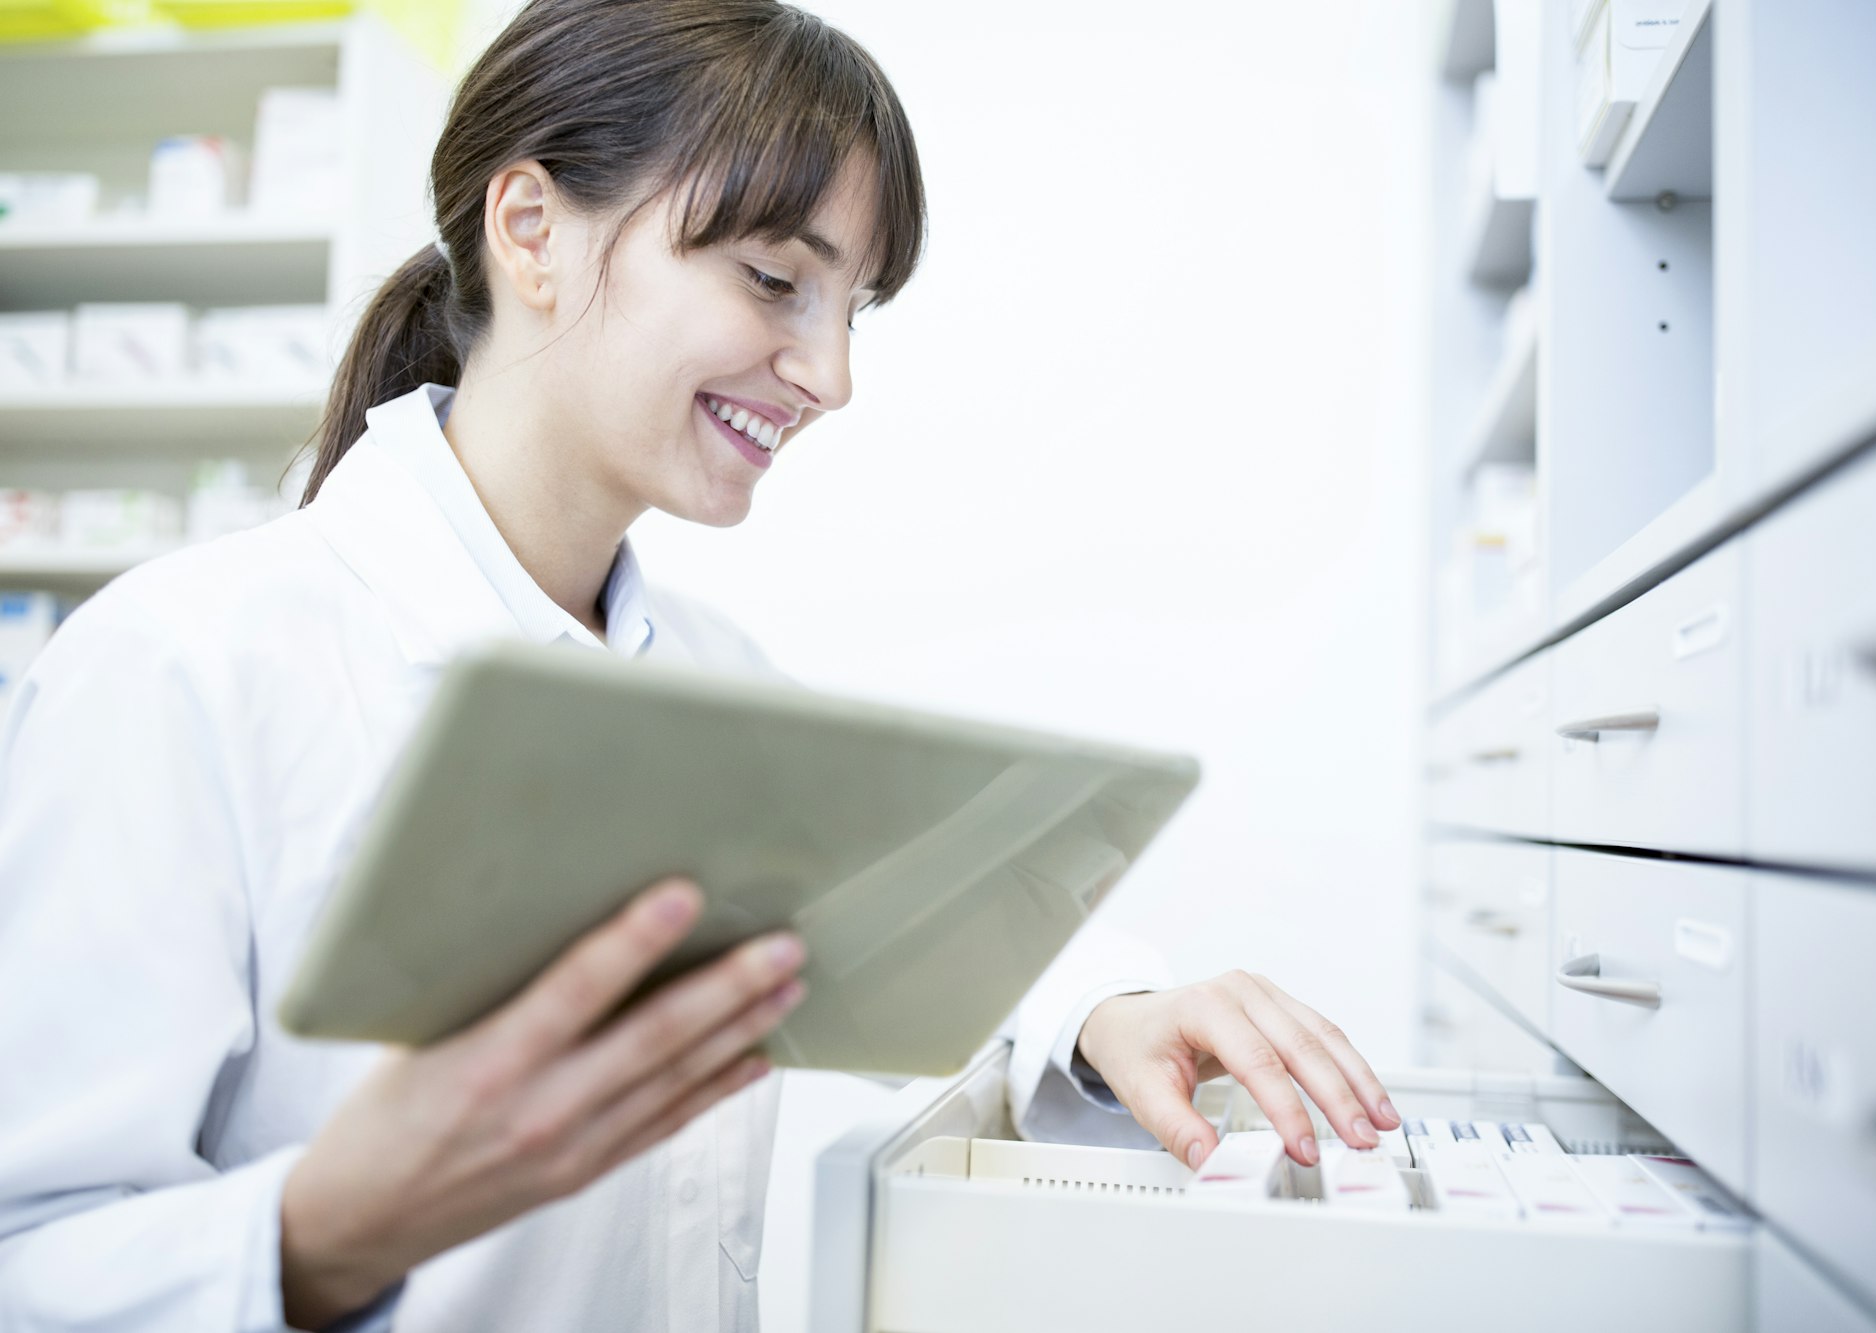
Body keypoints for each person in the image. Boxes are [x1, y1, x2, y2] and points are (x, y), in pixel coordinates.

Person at [0, 2, 1401, 1328]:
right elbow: (31, 1255)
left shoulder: (717, 678)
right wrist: (326, 1227)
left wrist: (1111, 1011)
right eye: (778, 281)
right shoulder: (183, 665)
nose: (831, 375)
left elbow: (905, 943)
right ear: (533, 228)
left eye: (855, 308)